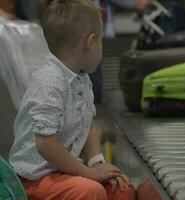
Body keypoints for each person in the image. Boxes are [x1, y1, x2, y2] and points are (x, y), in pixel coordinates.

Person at [8, 0, 136, 199]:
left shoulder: (81, 79)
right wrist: (88, 173)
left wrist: (96, 163)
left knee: (121, 189)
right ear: (91, 42)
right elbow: (46, 144)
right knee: (91, 192)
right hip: (35, 179)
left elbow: (87, 124)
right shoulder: (50, 82)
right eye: (101, 41)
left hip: (65, 171)